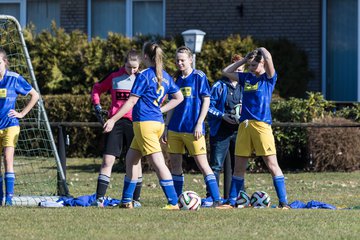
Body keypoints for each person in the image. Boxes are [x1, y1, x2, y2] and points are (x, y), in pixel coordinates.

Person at [103, 42, 184, 209]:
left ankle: (173, 202)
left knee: (158, 163)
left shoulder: (144, 75)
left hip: (144, 124)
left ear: (145, 56)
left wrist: (113, 119)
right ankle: (126, 201)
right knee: (131, 159)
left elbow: (132, 100)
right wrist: (160, 109)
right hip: (156, 123)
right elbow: (179, 97)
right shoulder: (166, 76)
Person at [220, 47, 289, 209]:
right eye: (249, 66)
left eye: (254, 65)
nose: (251, 68)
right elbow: (225, 71)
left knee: (271, 164)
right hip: (244, 126)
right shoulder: (246, 78)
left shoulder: (268, 78)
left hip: (261, 125)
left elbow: (269, 58)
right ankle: (232, 201)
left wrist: (261, 50)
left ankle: (284, 202)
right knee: (239, 167)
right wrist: (244, 60)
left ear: (263, 64)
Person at [163, 46, 222, 207]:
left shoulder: (199, 76)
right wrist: (166, 127)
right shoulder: (175, 80)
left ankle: (216, 199)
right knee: (175, 164)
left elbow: (206, 100)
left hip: (193, 129)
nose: (179, 63)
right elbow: (172, 104)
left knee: (203, 164)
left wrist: (199, 123)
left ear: (190, 60)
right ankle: (175, 201)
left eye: (182, 60)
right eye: (177, 60)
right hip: (175, 129)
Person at [91, 49, 143, 207]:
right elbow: (96, 89)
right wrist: (97, 106)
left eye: (135, 68)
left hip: (136, 123)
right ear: (124, 63)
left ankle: (135, 199)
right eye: (129, 67)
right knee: (108, 160)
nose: (132, 71)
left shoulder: (142, 78)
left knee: (135, 162)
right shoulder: (114, 76)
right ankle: (99, 198)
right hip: (116, 122)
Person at [203, 54, 245, 207]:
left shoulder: (245, 86)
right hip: (220, 130)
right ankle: (211, 196)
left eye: (241, 70)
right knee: (215, 165)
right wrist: (223, 116)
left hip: (239, 131)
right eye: (236, 69)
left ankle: (239, 195)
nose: (238, 72)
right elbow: (208, 106)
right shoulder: (219, 86)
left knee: (239, 164)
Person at [0, 48, 40, 206]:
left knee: (7, 159)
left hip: (11, 125)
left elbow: (35, 95)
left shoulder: (14, 78)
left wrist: (22, 113)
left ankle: (9, 199)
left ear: (5, 62)